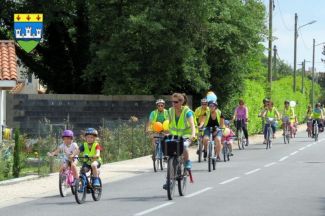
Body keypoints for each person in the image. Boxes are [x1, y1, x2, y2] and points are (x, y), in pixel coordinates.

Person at [163, 93, 196, 190]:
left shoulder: (187, 112)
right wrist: (164, 131)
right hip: (173, 135)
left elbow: (192, 125)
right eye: (172, 102)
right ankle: (168, 180)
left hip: (185, 135)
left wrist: (193, 134)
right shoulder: (170, 111)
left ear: (181, 102)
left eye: (176, 102)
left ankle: (187, 162)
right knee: (169, 155)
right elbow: (166, 123)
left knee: (184, 146)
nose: (173, 104)